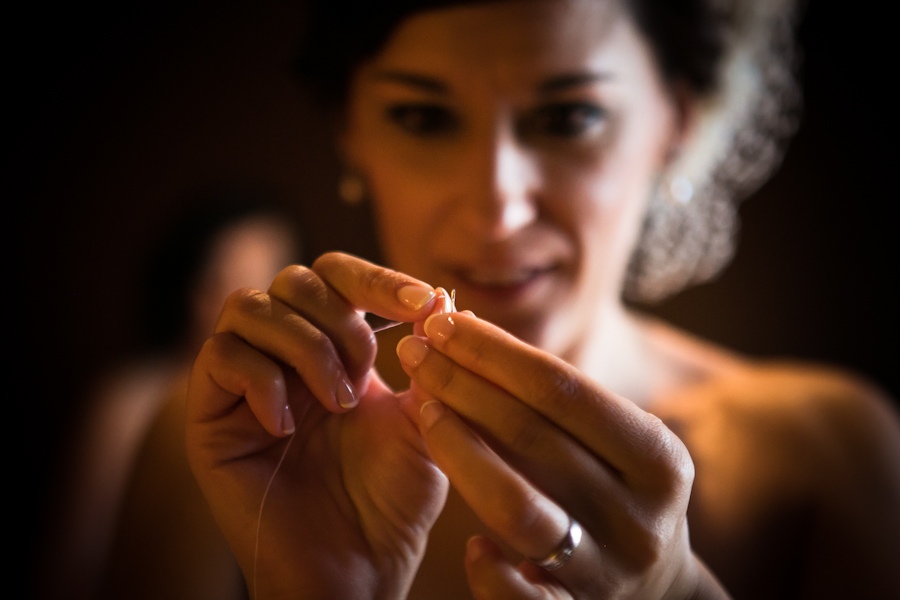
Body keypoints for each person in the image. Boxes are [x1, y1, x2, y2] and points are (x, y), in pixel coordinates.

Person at [134, 0, 900, 598]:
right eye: (425, 117)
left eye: (568, 117)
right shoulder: (243, 440)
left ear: (677, 124)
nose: (496, 209)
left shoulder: (826, 459)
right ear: (350, 133)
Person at [35, 190, 303, 600]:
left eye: (264, 281)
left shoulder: (298, 407)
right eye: (221, 280)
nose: (244, 303)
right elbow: (75, 557)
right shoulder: (130, 400)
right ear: (189, 287)